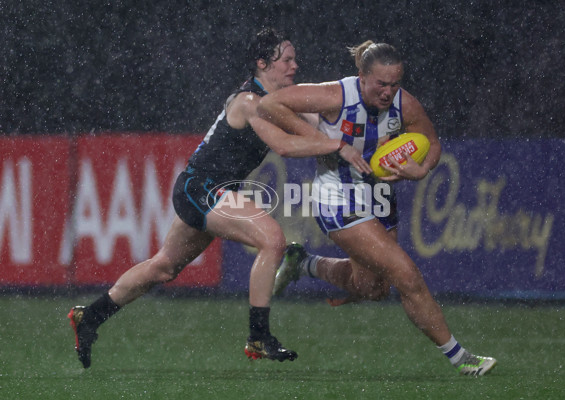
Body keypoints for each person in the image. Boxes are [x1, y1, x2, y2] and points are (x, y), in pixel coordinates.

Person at [67, 28, 370, 368]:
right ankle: (258, 336)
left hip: (208, 190)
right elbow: (288, 145)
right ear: (261, 64)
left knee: (164, 267)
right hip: (202, 188)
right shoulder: (249, 102)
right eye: (286, 60)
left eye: (294, 59)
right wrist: (338, 146)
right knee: (272, 240)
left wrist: (365, 95)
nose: (295, 66)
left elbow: (326, 118)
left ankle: (89, 317)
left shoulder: (280, 101)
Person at [259, 40, 497, 376]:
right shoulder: (335, 96)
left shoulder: (404, 104)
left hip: (379, 198)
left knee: (373, 288)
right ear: (362, 77)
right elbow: (269, 104)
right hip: (337, 200)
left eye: (394, 84)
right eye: (380, 84)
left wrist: (423, 169)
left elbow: (432, 143)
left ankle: (304, 264)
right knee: (406, 275)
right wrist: (326, 143)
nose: (388, 92)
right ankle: (462, 358)